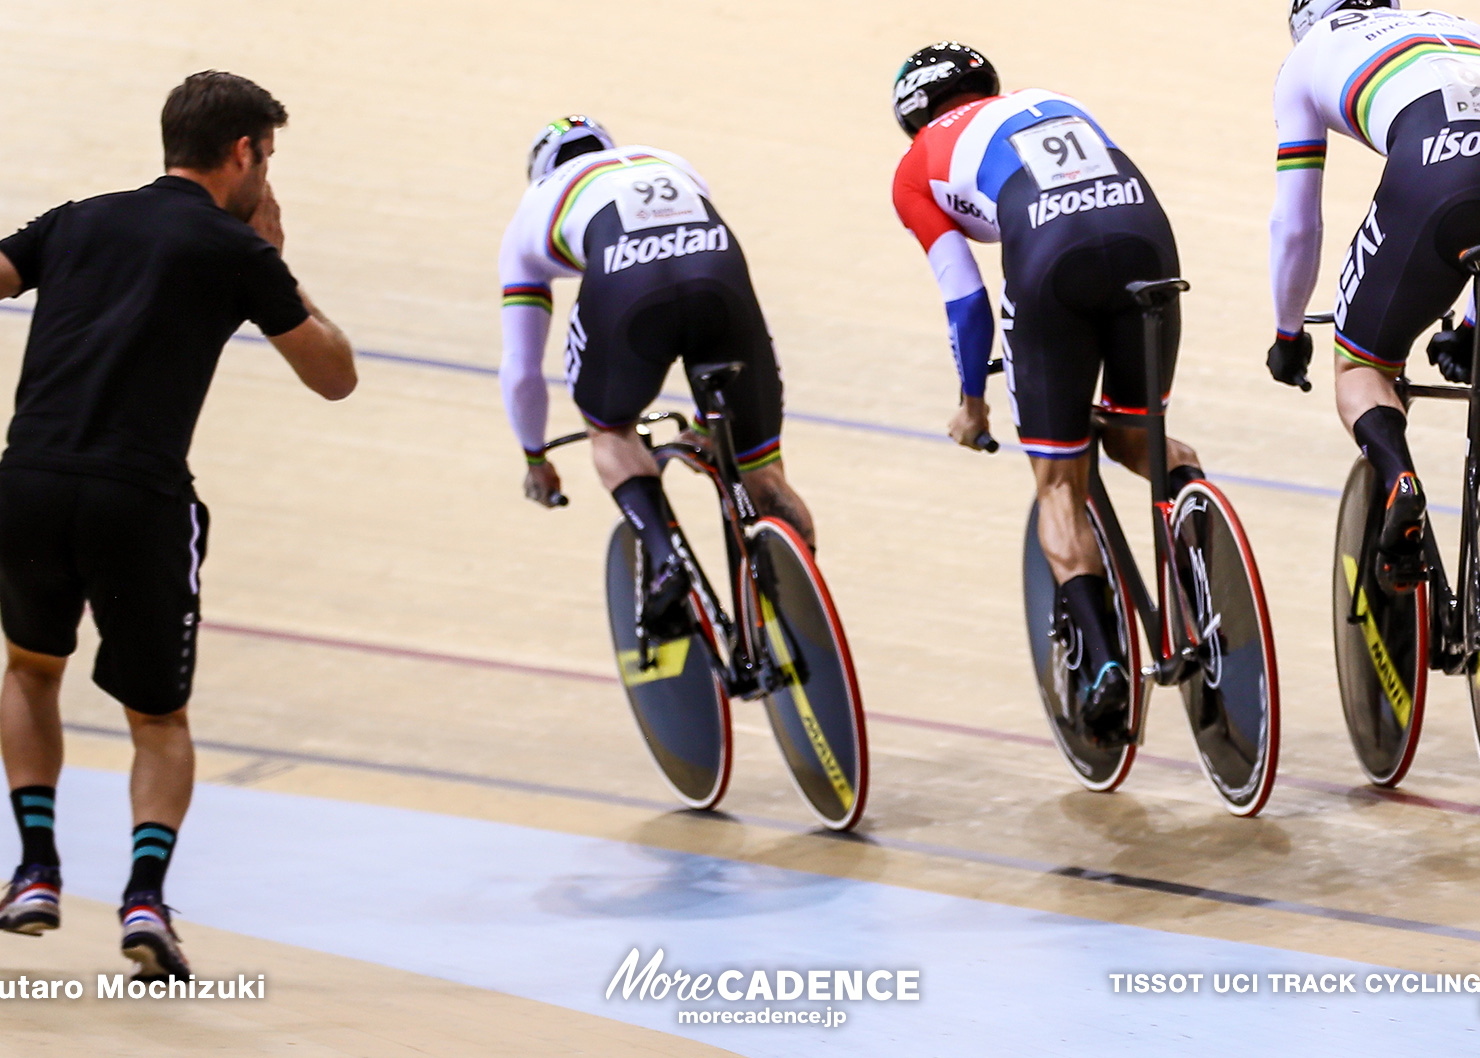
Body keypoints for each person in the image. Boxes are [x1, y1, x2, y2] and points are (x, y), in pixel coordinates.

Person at [0, 71, 357, 979]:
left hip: (27, 486)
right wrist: (275, 258)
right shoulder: (235, 249)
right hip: (138, 501)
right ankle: (144, 900)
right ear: (243, 153)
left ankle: (35, 872)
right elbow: (334, 374)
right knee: (159, 718)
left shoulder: (78, 219)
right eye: (269, 154)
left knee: (33, 669)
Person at [888, 43, 1202, 740]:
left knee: (1060, 478)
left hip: (1050, 262)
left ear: (912, 116)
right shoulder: (1054, 101)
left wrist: (973, 403)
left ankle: (1103, 670)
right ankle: (1202, 555)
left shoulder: (915, 168)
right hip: (1146, 240)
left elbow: (966, 300)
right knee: (1134, 433)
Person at [1264, 0, 1480, 588]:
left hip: (1438, 166)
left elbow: (1296, 225)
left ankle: (1400, 477)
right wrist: (1470, 323)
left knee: (1360, 366)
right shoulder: (1464, 27)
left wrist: (1288, 330)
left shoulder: (1307, 58)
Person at [499, 116, 814, 633]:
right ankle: (801, 627)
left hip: (629, 288)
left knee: (610, 427)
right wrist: (711, 423)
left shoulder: (532, 209)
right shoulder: (664, 159)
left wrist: (535, 457)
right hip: (719, 276)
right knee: (761, 470)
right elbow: (685, 260)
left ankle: (666, 558)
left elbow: (521, 369)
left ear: (539, 171)